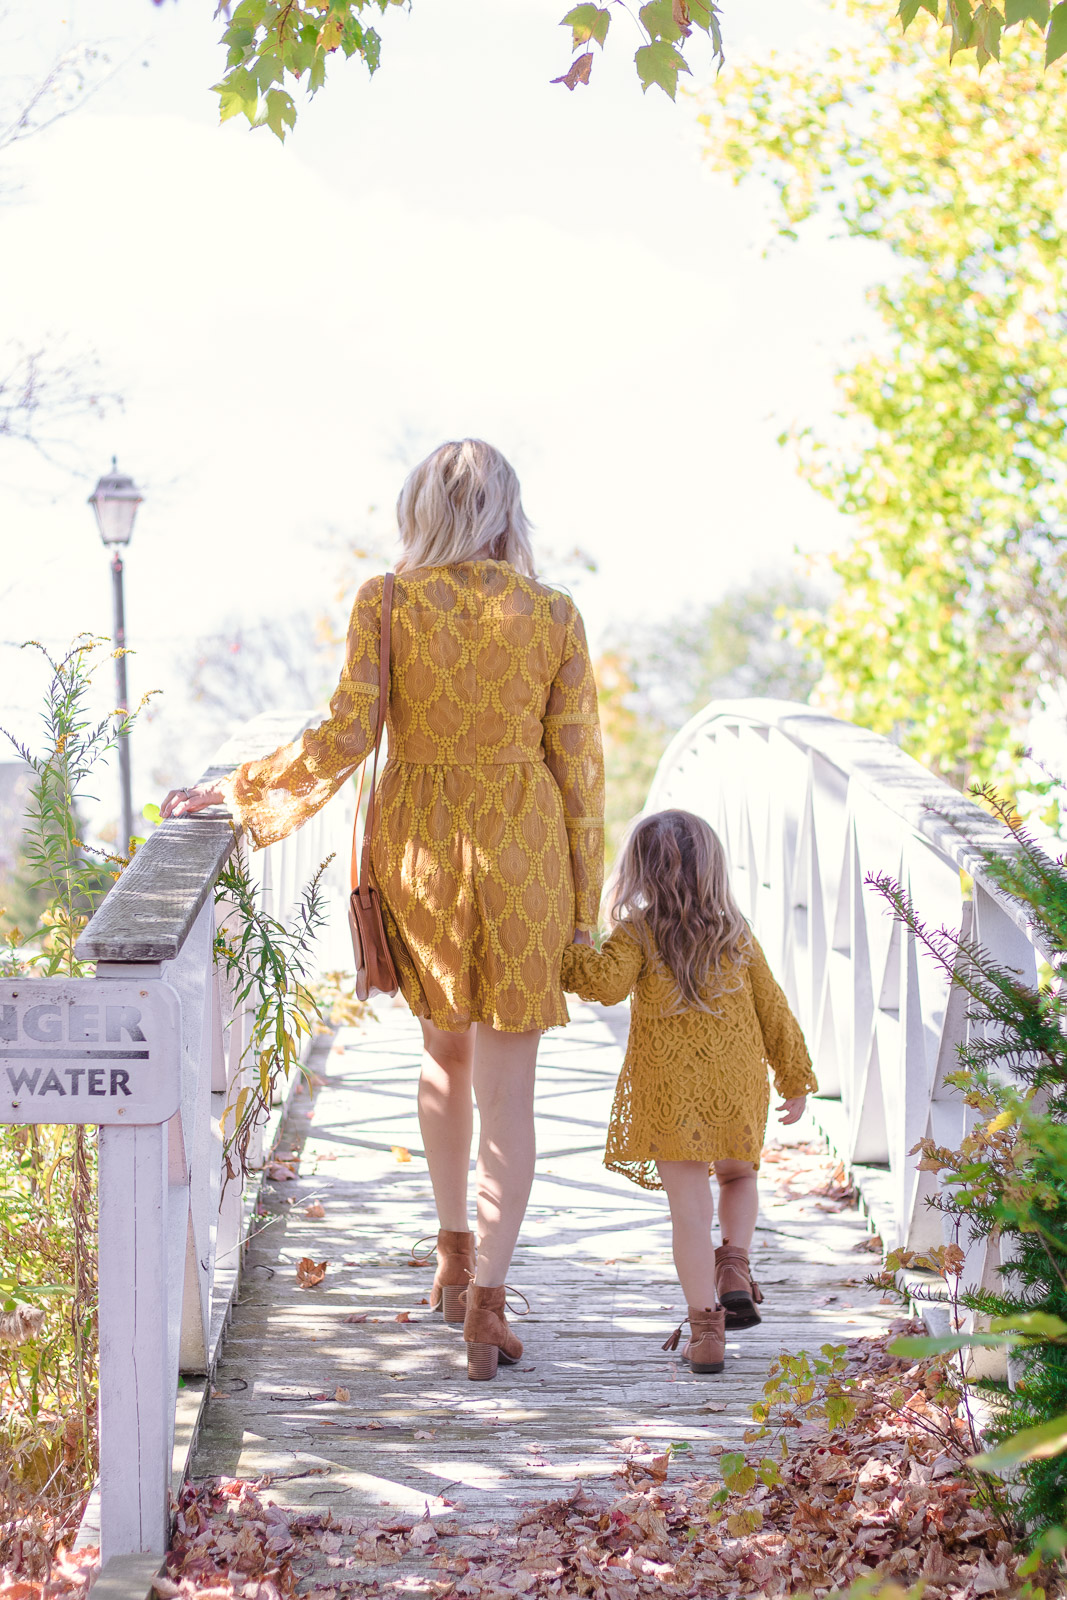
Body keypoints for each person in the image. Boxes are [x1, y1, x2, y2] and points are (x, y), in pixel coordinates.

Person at [162, 439, 604, 1382]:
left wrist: (245, 794)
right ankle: (488, 1299)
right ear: (508, 514)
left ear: (421, 512)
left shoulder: (387, 601)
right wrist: (582, 908)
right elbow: (581, 770)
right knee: (510, 1090)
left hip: (424, 848)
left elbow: (349, 731)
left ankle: (453, 1258)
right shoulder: (556, 614)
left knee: (444, 1052)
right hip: (525, 849)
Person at [560, 809, 816, 1375]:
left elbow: (602, 985)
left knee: (688, 1214)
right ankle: (736, 1263)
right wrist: (793, 1077)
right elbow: (773, 1010)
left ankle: (706, 1334)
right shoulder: (735, 932)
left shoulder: (636, 933)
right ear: (714, 870)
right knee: (739, 1175)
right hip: (737, 1078)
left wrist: (574, 943)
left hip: (670, 1090)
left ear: (638, 874)